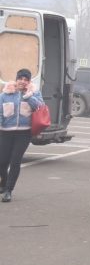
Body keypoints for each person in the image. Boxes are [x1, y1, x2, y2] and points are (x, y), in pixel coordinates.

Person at [0, 68, 45, 202]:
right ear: (16, 79)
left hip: (23, 133)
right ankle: (4, 183)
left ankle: (8, 190)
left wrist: (28, 95)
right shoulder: (5, 94)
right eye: (20, 79)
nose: (23, 82)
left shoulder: (34, 93)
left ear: (29, 81)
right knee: (2, 161)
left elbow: (39, 107)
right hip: (5, 132)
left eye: (26, 79)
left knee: (15, 161)